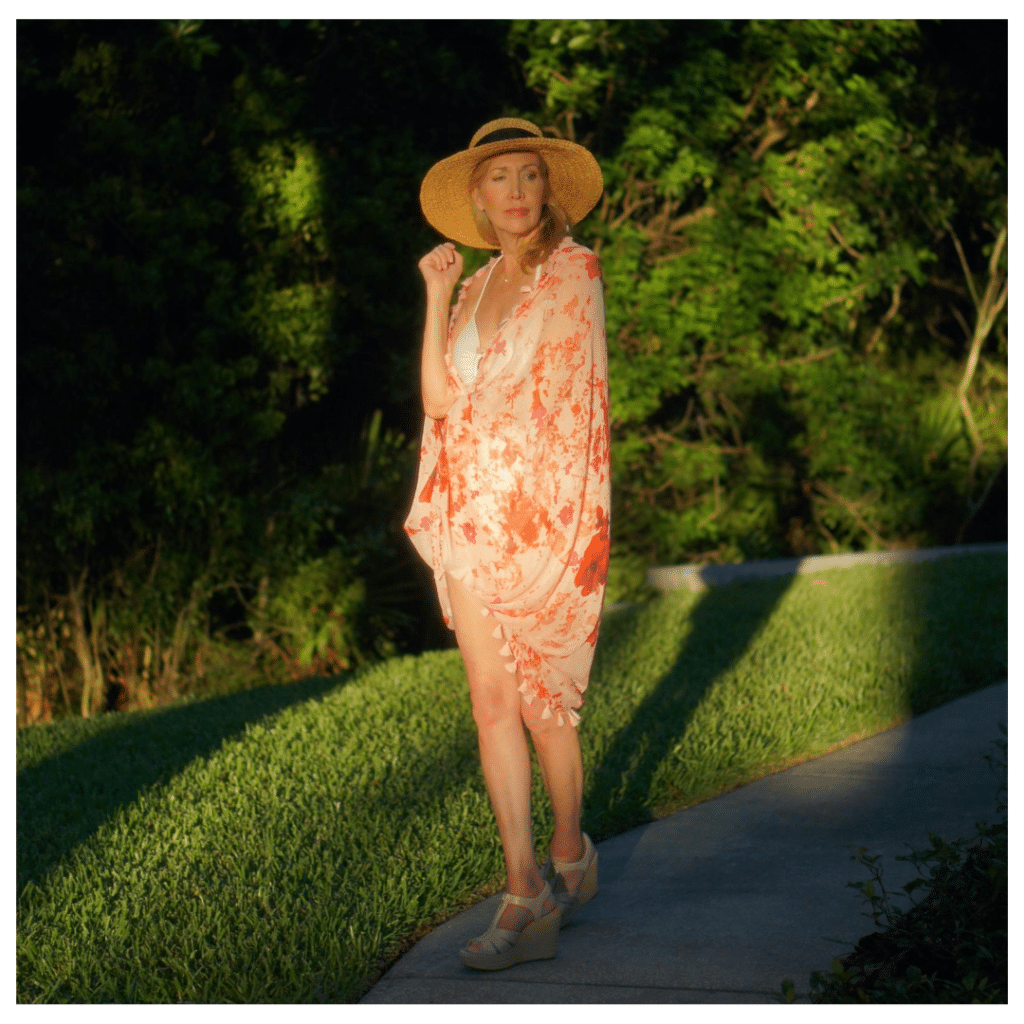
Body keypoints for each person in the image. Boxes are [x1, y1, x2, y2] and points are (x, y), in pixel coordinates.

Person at [405, 117, 611, 971]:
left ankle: (571, 851)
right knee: (492, 705)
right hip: (467, 514)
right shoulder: (472, 283)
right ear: (479, 199)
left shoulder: (574, 272)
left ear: (546, 189)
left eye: (530, 175)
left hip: (542, 516)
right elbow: (440, 401)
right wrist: (432, 296)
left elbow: (573, 404)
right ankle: (525, 889)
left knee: (542, 704)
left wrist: (549, 520)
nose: (519, 191)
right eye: (501, 179)